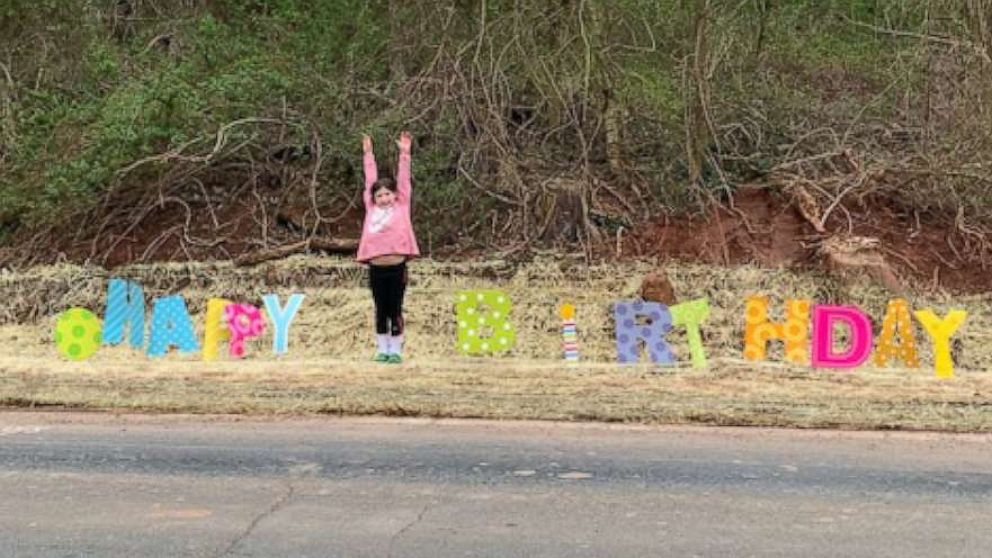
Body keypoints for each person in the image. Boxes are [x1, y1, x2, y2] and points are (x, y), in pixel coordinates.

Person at [357, 131, 420, 363]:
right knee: (380, 308)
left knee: (395, 307)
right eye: (379, 195)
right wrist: (368, 154)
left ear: (395, 195)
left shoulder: (401, 205)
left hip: (396, 265)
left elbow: (404, 180)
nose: (383, 198)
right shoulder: (372, 210)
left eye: (387, 194)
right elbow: (369, 179)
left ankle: (396, 349)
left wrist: (404, 153)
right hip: (376, 266)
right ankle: (382, 348)